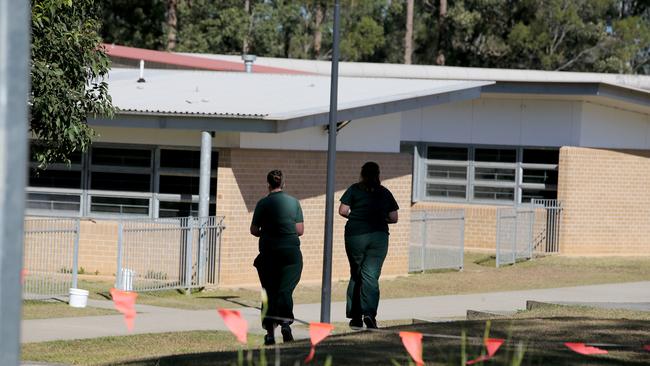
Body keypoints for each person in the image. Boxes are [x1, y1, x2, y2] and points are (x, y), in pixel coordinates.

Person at [338, 162, 399, 329]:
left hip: (355, 236)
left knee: (357, 274)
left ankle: (356, 316)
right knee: (370, 275)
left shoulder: (354, 189)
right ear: (378, 174)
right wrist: (379, 219)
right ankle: (369, 314)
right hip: (378, 238)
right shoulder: (385, 193)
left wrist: (357, 217)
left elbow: (343, 210)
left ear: (362, 174)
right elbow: (394, 217)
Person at [250, 170, 304, 345]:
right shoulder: (294, 202)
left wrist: (267, 231)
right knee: (285, 291)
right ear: (283, 183)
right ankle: (286, 324)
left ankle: (270, 333)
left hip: (269, 252)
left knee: (269, 291)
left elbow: (254, 230)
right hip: (291, 253)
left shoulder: (262, 203)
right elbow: (300, 230)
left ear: (268, 184)